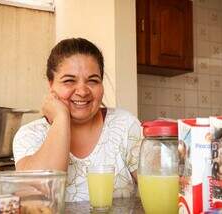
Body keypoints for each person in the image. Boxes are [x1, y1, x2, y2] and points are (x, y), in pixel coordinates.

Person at [13, 38, 143, 202]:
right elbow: (36, 196)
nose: (82, 91)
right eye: (69, 81)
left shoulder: (125, 125)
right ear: (51, 84)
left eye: (93, 81)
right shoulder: (30, 134)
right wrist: (61, 119)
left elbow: (159, 190)